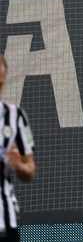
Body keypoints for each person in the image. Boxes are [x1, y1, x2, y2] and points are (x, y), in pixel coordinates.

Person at [0, 53, 36, 239]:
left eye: (0, 84)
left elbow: (30, 170)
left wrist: (20, 165)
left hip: (6, 220)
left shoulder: (16, 116)